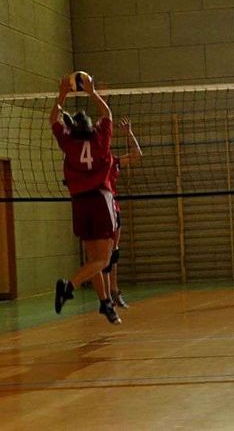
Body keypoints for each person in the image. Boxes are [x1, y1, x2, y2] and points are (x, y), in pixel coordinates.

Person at [49, 73, 120, 324]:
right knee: (104, 259)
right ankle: (68, 286)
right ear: (91, 127)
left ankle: (105, 303)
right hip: (100, 200)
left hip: (79, 202)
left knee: (94, 260)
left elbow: (53, 119)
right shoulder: (101, 140)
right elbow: (107, 114)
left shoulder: (68, 143)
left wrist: (62, 95)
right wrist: (91, 92)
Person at [103, 117, 143, 309]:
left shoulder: (113, 161)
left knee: (114, 252)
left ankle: (114, 291)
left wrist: (129, 133)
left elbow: (137, 155)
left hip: (114, 208)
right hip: (100, 209)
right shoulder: (93, 162)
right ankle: (106, 296)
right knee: (103, 254)